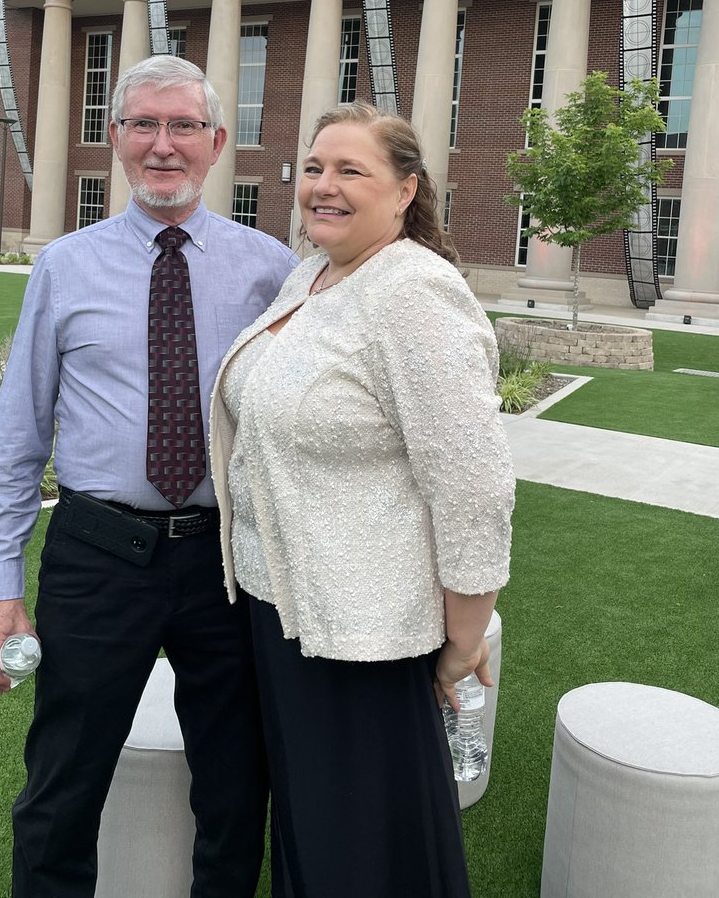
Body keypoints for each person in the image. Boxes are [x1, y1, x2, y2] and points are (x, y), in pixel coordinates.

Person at [0, 54, 297, 898]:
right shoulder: (65, 266)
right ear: (115, 137)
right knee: (63, 782)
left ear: (218, 142)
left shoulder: (271, 269)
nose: (163, 145)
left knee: (235, 787)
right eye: (143, 124)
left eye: (183, 125)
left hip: (228, 565)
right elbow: (17, 435)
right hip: (98, 557)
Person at [209, 101, 516, 898]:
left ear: (406, 189)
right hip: (286, 620)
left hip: (363, 639)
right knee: (314, 837)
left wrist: (462, 638)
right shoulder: (311, 274)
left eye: (351, 170)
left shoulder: (414, 293)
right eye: (314, 167)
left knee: (361, 853)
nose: (324, 186)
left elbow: (473, 486)